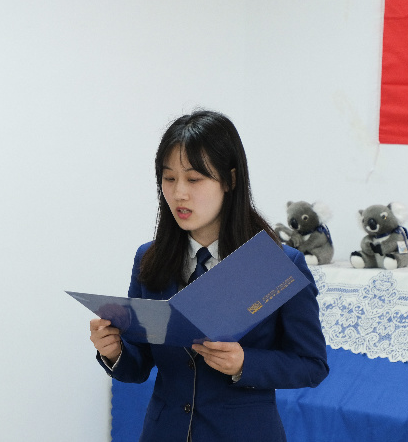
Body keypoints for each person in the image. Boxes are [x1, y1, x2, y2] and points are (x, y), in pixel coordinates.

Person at [89, 110, 329, 442]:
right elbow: (139, 363)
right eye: (168, 178)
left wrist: (245, 363)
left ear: (230, 180)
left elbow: (312, 365)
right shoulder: (150, 258)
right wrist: (114, 351)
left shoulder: (276, 265)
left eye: (194, 179)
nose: (179, 193)